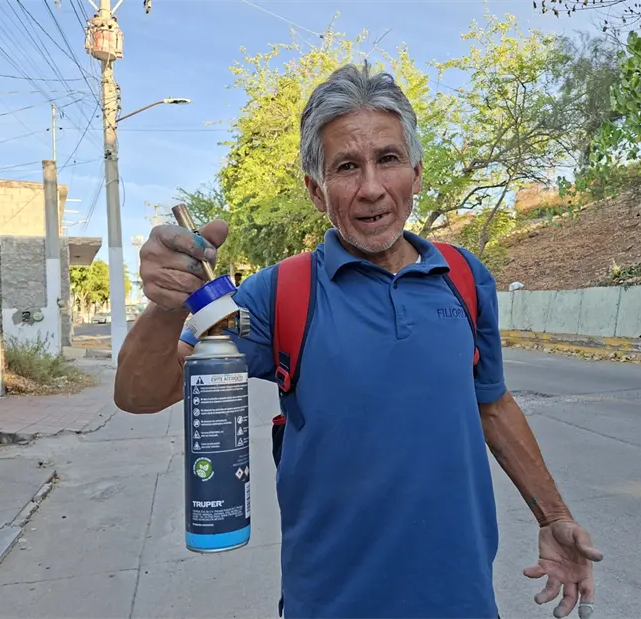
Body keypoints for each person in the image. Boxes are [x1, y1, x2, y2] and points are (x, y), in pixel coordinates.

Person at [115, 63, 603, 619]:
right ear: (316, 191)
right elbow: (140, 394)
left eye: (388, 159)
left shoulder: (466, 278)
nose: (371, 187)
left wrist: (553, 516)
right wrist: (166, 303)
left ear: (416, 173)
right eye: (346, 167)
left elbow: (491, 404)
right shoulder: (283, 292)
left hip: (462, 600)